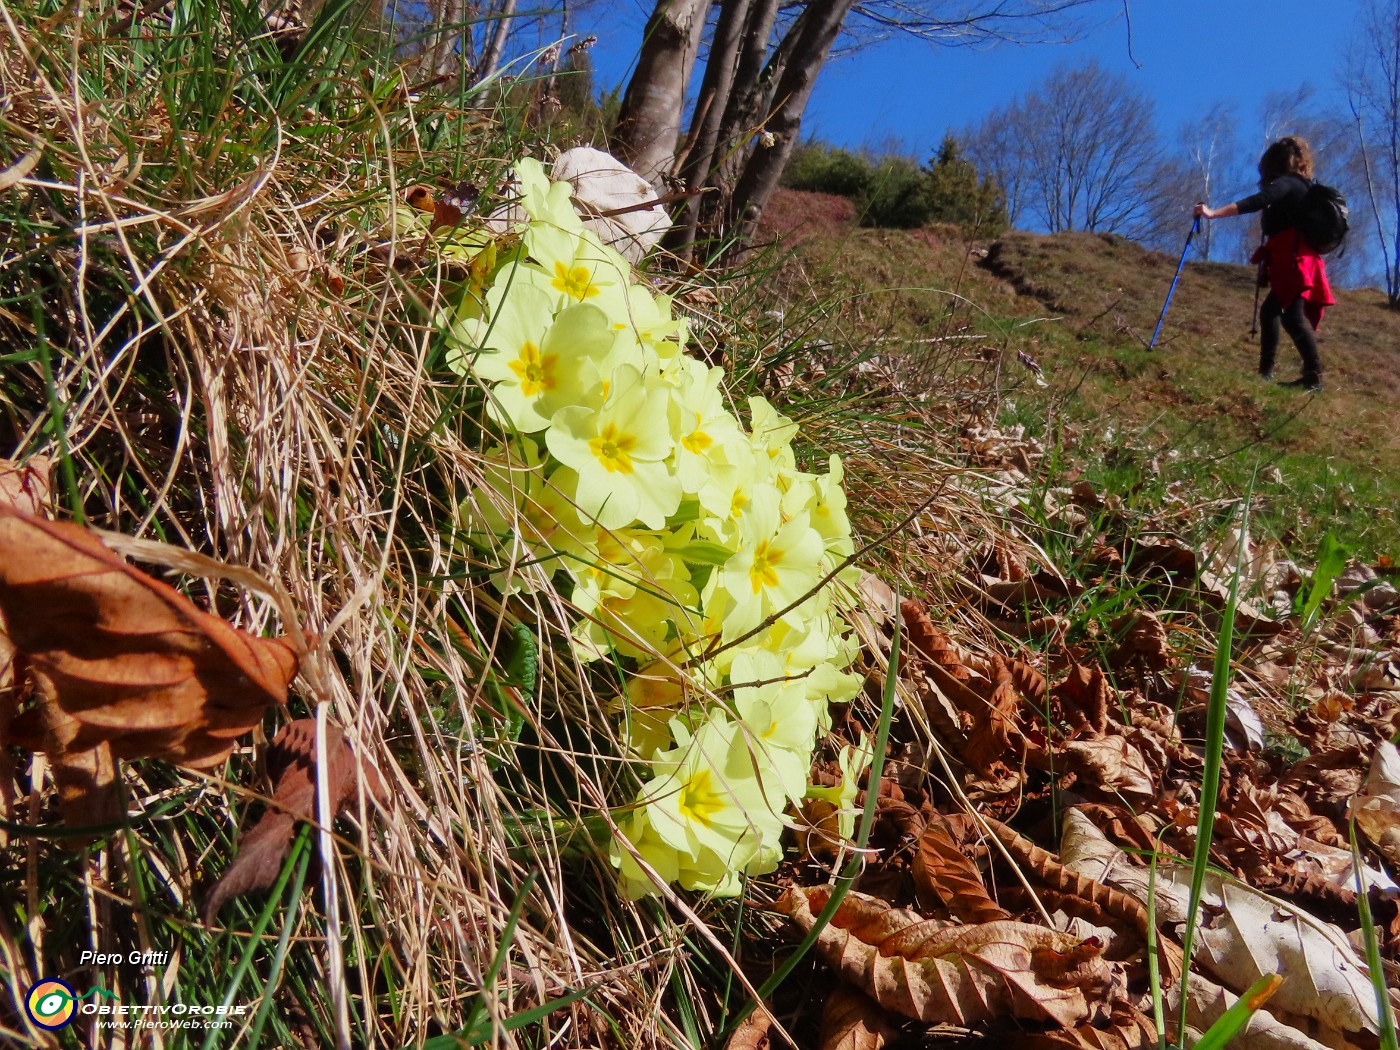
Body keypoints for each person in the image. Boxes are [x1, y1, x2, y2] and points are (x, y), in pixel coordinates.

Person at [1193, 135, 1335, 393]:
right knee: (1274, 313)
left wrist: (1214, 213)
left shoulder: (1288, 184)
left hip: (1293, 258)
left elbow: (1258, 200)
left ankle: (1311, 376)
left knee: (1289, 317)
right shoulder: (1304, 186)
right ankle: (1275, 374)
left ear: (1273, 164)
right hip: (1299, 258)